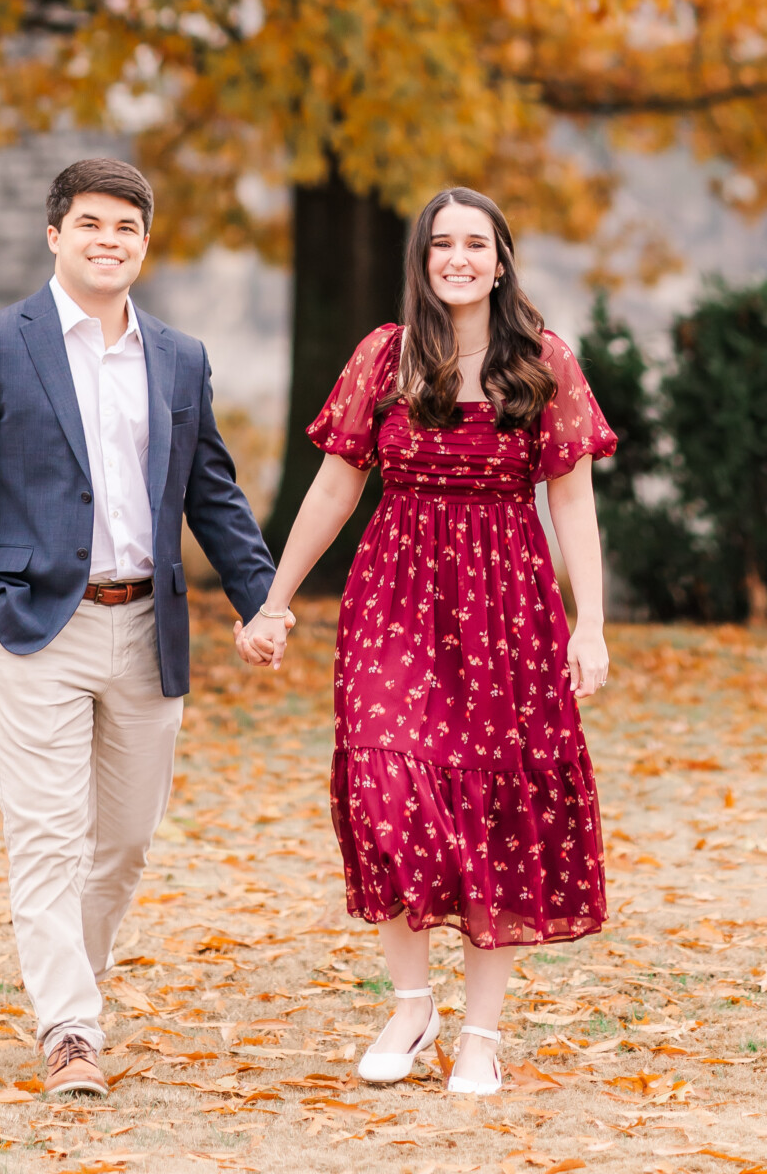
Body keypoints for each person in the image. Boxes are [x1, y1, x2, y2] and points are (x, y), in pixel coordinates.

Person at [236, 186, 616, 1096]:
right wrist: (273, 601)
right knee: (383, 786)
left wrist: (589, 624)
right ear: (422, 259)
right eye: (441, 243)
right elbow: (333, 488)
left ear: (499, 258)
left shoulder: (543, 360)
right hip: (396, 592)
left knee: (492, 807)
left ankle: (480, 1034)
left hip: (507, 603)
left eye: (474, 244)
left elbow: (570, 501)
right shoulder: (385, 354)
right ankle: (412, 1007)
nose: (457, 258)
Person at [0, 155, 280, 1098]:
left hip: (147, 631)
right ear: (54, 234)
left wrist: (263, 601)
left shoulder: (179, 359)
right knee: (45, 838)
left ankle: (68, 989)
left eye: (125, 228)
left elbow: (213, 496)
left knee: (122, 843)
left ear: (144, 246)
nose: (107, 241)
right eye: (90, 224)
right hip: (35, 628)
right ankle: (71, 1029)